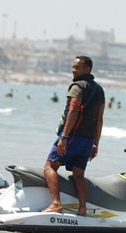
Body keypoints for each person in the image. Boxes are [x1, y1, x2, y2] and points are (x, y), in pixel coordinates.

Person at [42, 56, 105, 216]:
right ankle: (82, 209)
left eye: (77, 67)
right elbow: (99, 120)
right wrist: (95, 144)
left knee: (50, 167)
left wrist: (64, 137)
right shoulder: (99, 90)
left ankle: (56, 204)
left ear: (88, 69)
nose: (73, 70)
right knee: (78, 174)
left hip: (72, 137)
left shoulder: (77, 87)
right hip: (87, 140)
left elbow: (74, 110)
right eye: (73, 67)